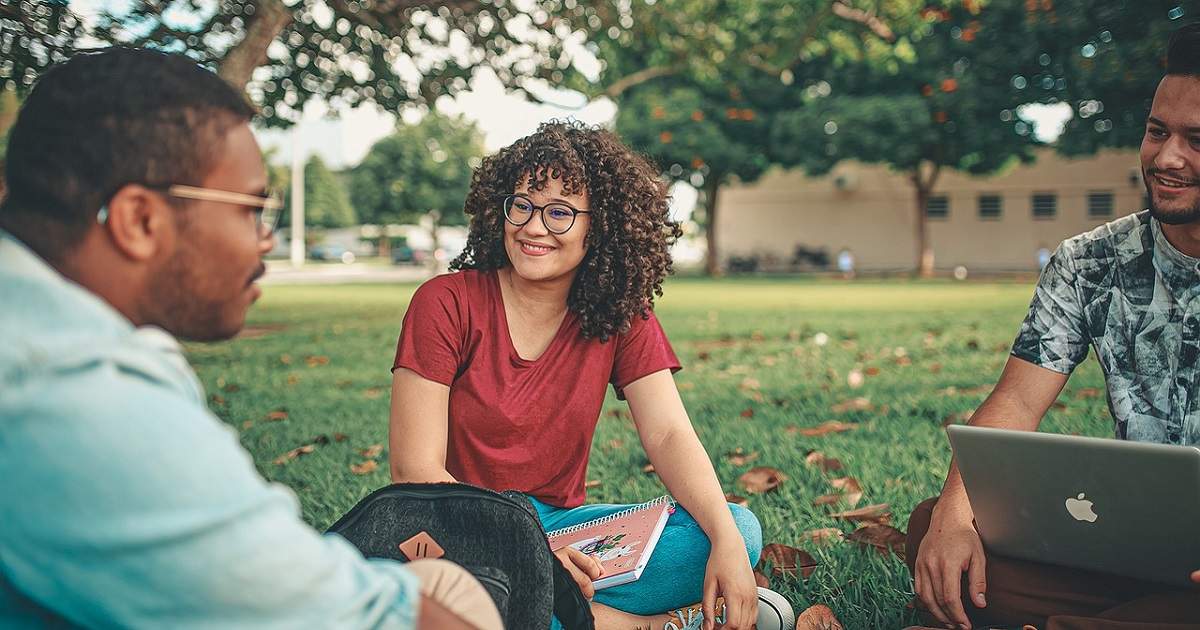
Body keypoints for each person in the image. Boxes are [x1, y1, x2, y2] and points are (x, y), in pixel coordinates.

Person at [0, 48, 499, 630]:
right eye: (251, 210)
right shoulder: (75, 396)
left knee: (437, 579)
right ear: (140, 220)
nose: (264, 239)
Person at [388, 121, 776, 630]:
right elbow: (414, 472)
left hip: (564, 530)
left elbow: (667, 433)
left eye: (559, 212)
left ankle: (557, 612)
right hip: (457, 531)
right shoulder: (445, 302)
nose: (532, 227)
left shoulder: (620, 314)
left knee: (736, 528)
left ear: (602, 226)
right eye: (521, 204)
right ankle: (647, 626)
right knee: (446, 598)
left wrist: (726, 543)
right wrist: (533, 555)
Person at [906, 23, 1200, 630]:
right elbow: (1014, 403)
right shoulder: (1091, 261)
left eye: (1197, 141)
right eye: (1157, 132)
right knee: (938, 532)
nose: (1167, 158)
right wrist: (956, 519)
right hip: (1136, 544)